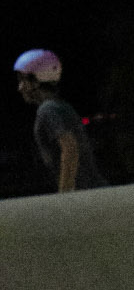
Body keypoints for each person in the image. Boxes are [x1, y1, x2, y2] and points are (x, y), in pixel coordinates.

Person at [13, 50, 108, 192]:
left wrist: (65, 194)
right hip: (94, 190)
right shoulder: (61, 106)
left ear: (36, 81)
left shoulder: (47, 110)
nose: (20, 88)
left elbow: (69, 148)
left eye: (22, 80)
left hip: (85, 194)